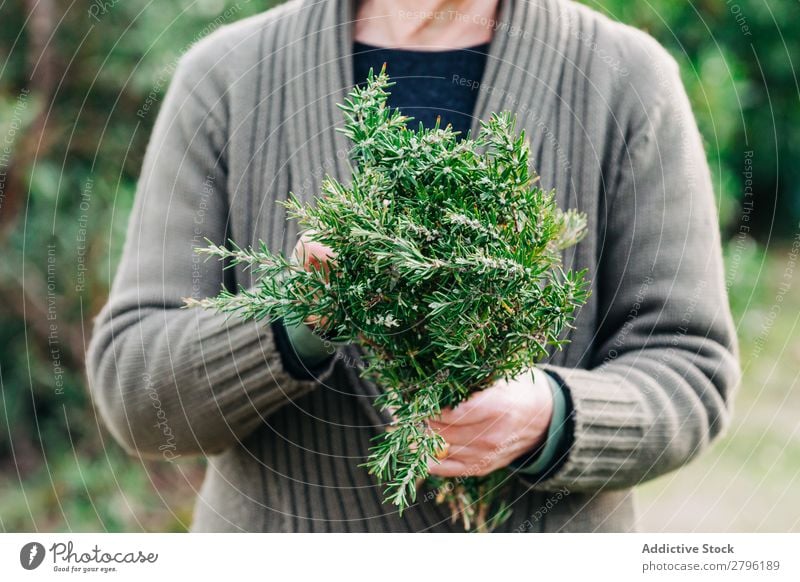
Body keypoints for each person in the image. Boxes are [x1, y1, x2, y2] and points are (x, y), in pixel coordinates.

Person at [86, 0, 741, 532]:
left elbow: (691, 371)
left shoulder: (627, 79)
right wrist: (292, 325)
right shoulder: (226, 77)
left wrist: (552, 415)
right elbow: (135, 390)